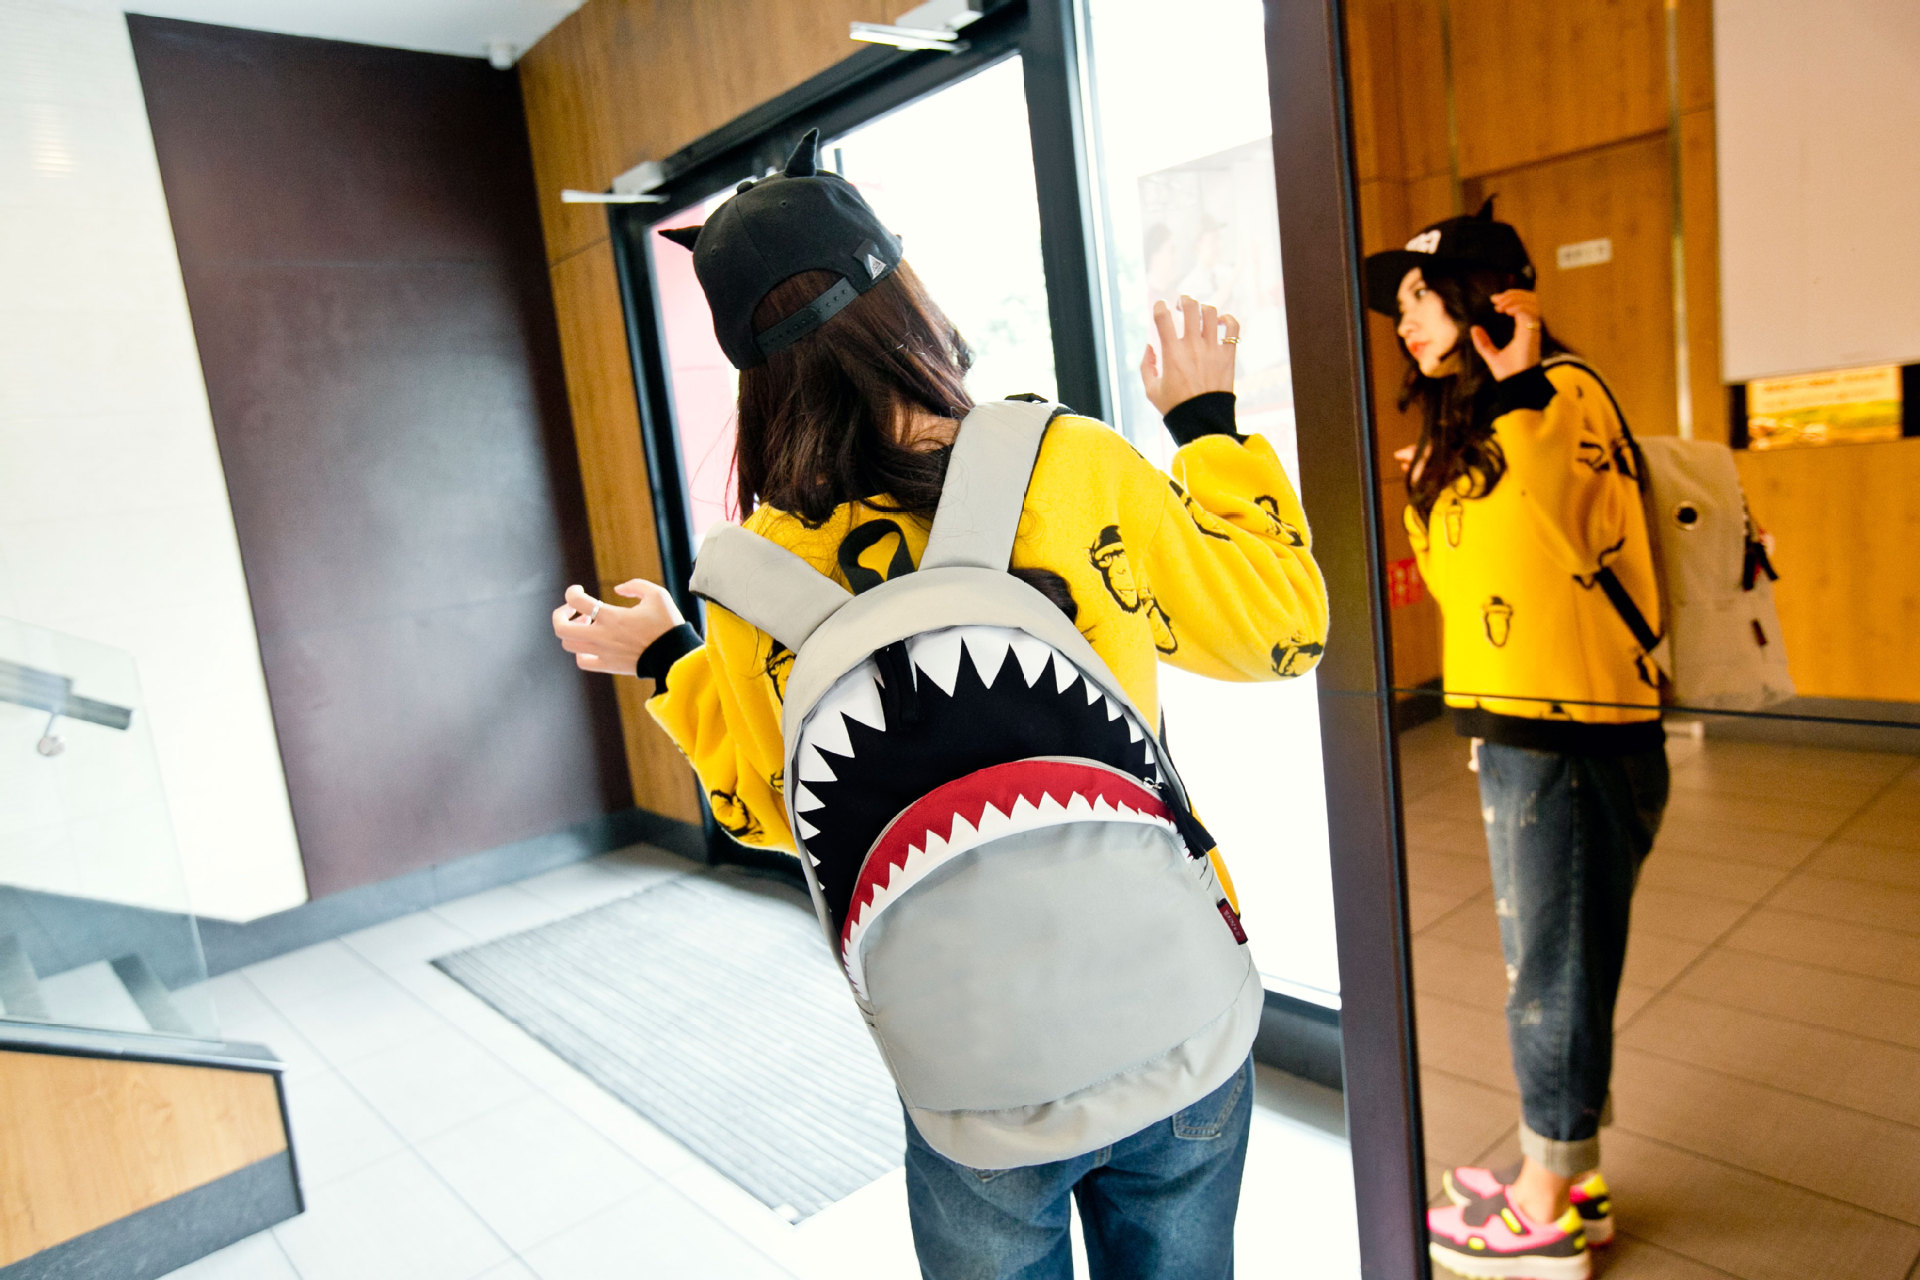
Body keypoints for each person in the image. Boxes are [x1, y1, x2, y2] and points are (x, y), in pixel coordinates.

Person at [552, 132, 1329, 1279]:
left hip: (971, 1068)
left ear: (751, 368)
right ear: (900, 293)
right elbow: (1282, 626)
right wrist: (1207, 426)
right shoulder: (1068, 462)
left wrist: (672, 656)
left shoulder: (749, 575)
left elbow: (768, 809)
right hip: (1174, 1010)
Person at [1364, 201, 1667, 1280]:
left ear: (1486, 299)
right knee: (1544, 956)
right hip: (1522, 728)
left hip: (1580, 732)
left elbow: (1553, 513)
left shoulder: (1562, 393)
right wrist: (1431, 481)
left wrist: (1518, 385)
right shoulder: (1483, 422)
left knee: (1555, 967)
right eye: (1399, 305)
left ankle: (1546, 1205)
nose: (1405, 321)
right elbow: (1472, 582)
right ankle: (1566, 1173)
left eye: (1421, 298)